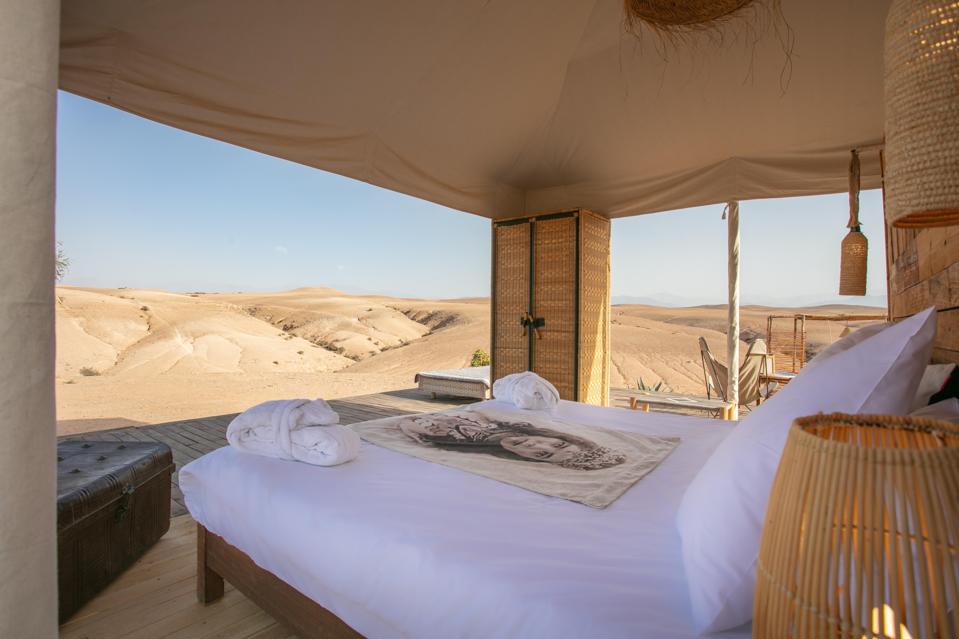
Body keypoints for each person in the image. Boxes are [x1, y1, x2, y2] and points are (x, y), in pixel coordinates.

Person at [395, 412, 626, 471]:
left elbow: (408, 423)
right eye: (558, 444)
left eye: (543, 455)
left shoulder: (452, 442)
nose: (535, 446)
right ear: (555, 436)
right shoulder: (494, 421)